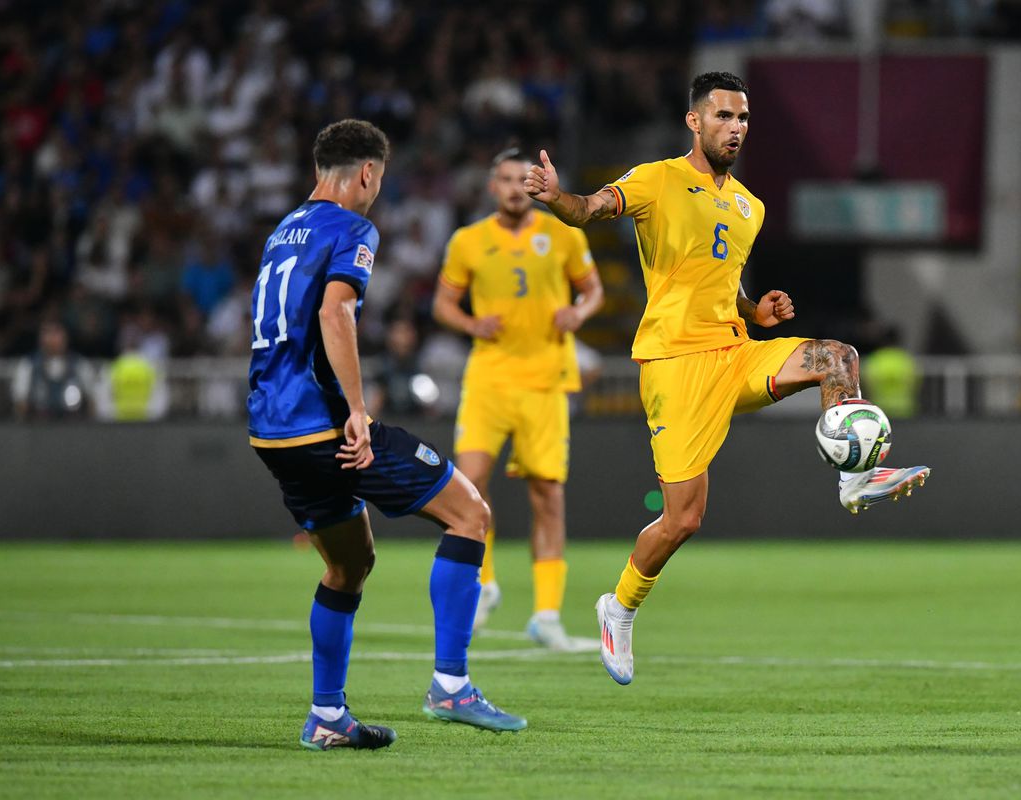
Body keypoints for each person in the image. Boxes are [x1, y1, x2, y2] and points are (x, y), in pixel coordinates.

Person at [523, 72, 930, 686]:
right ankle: (620, 608)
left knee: (837, 357)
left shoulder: (749, 206)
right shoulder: (654, 179)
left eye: (742, 119)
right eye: (722, 117)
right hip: (674, 364)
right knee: (683, 519)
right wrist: (557, 196)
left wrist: (753, 312)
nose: (735, 128)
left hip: (735, 352)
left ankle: (856, 479)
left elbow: (726, 279)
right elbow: (586, 211)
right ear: (694, 121)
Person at [246, 119, 526, 751]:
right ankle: (451, 685)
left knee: (349, 565)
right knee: (470, 514)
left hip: (271, 430)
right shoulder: (352, 227)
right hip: (322, 424)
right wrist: (356, 408)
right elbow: (335, 309)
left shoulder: (281, 232)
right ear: (368, 173)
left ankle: (327, 716)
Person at [433, 148, 604, 650]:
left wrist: (579, 313)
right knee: (468, 485)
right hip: (488, 378)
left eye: (521, 178)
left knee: (547, 495)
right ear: (492, 186)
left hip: (547, 380)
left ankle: (547, 616)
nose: (513, 187)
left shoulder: (563, 234)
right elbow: (443, 303)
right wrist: (470, 323)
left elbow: (592, 291)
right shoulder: (468, 241)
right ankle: (484, 584)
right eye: (504, 178)